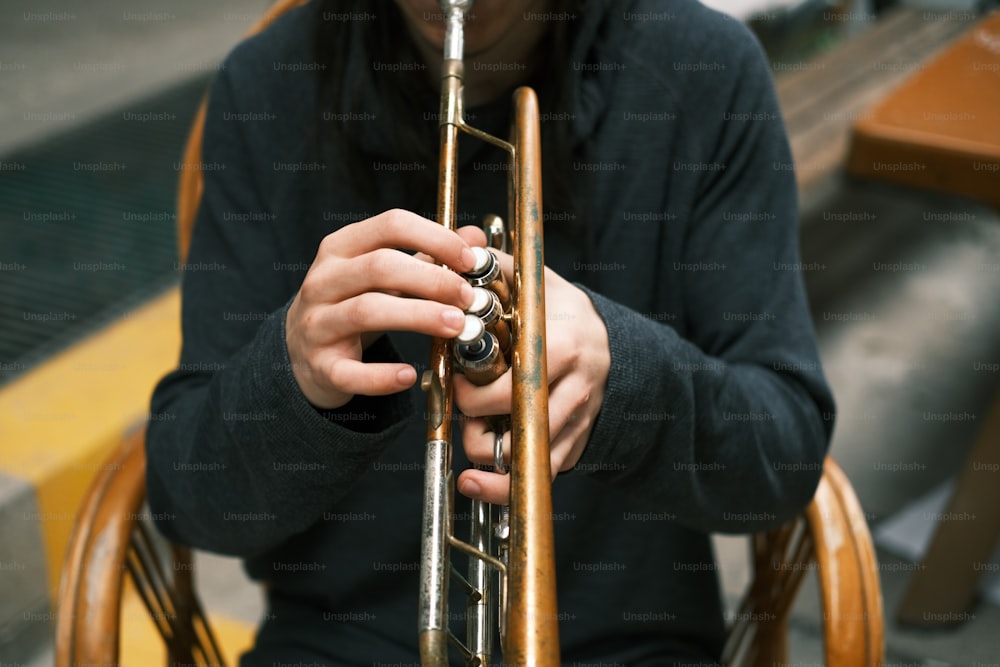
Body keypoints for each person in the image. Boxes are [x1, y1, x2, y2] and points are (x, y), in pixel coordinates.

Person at [147, 0, 835, 664]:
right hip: (335, 642)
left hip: (626, 643)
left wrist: (625, 380)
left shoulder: (704, 70)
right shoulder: (266, 85)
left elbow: (782, 455)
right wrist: (291, 381)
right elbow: (190, 501)